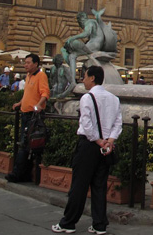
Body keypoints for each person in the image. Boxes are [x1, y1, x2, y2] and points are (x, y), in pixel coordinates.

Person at [52, 66, 122, 235]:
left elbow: (86, 124)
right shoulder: (114, 99)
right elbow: (118, 123)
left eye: (84, 77)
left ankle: (68, 222)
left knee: (79, 185)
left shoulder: (87, 98)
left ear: (92, 78)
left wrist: (99, 141)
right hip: (106, 149)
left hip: (89, 145)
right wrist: (109, 142)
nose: (82, 80)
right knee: (99, 186)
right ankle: (99, 225)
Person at [6, 53, 50, 183]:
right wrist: (20, 103)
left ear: (36, 64)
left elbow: (45, 93)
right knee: (25, 144)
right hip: (26, 113)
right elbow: (28, 94)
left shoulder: (41, 75)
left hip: (33, 115)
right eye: (25, 63)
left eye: (28, 63)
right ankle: (25, 175)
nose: (25, 65)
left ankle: (17, 174)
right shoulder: (29, 76)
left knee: (25, 144)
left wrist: (38, 105)